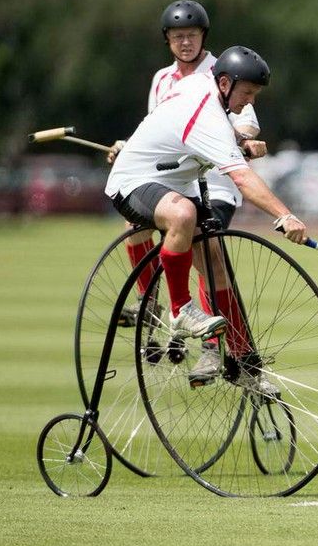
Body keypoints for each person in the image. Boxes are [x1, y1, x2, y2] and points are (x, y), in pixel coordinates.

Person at [105, 46, 306, 393]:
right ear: (225, 83)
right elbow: (242, 179)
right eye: (247, 94)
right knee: (182, 214)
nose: (248, 102)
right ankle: (179, 309)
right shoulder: (206, 111)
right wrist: (284, 216)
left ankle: (243, 360)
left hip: (174, 183)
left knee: (215, 261)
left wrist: (240, 139)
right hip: (134, 183)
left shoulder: (205, 90)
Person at [109, 0, 266, 329]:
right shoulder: (162, 79)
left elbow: (246, 121)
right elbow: (159, 125)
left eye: (191, 35)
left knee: (207, 255)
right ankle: (149, 304)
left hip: (216, 184)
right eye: (178, 36)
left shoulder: (223, 71)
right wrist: (128, 147)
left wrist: (240, 139)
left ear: (203, 36)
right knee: (134, 226)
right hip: (173, 181)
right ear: (167, 39)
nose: (185, 42)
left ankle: (215, 347)